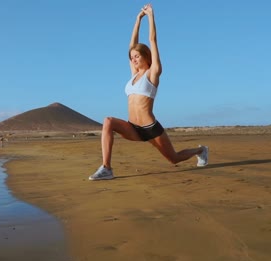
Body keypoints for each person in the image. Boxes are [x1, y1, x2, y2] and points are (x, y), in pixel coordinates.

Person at [89, 3, 208, 181]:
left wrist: (151, 16)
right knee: (108, 121)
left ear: (146, 56)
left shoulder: (153, 73)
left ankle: (201, 150)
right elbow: (131, 45)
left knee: (173, 159)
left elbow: (152, 40)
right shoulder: (133, 76)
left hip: (150, 128)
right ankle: (106, 168)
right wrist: (137, 20)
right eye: (132, 57)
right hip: (133, 127)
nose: (134, 59)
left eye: (137, 56)